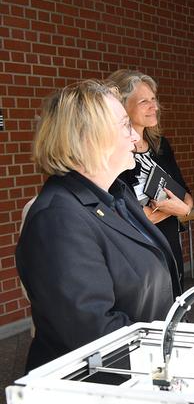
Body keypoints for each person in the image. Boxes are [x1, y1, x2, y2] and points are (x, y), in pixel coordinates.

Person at [15, 80, 179, 371]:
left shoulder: (117, 194)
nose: (134, 137)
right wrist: (169, 355)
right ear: (89, 137)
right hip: (100, 392)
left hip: (143, 372)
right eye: (125, 126)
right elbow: (94, 332)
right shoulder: (58, 219)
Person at [107, 69, 193, 292]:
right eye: (144, 101)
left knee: (176, 303)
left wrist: (182, 209)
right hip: (139, 249)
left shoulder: (161, 145)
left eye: (154, 99)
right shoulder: (114, 151)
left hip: (170, 243)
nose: (154, 106)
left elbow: (186, 196)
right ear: (121, 106)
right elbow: (125, 215)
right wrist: (176, 210)